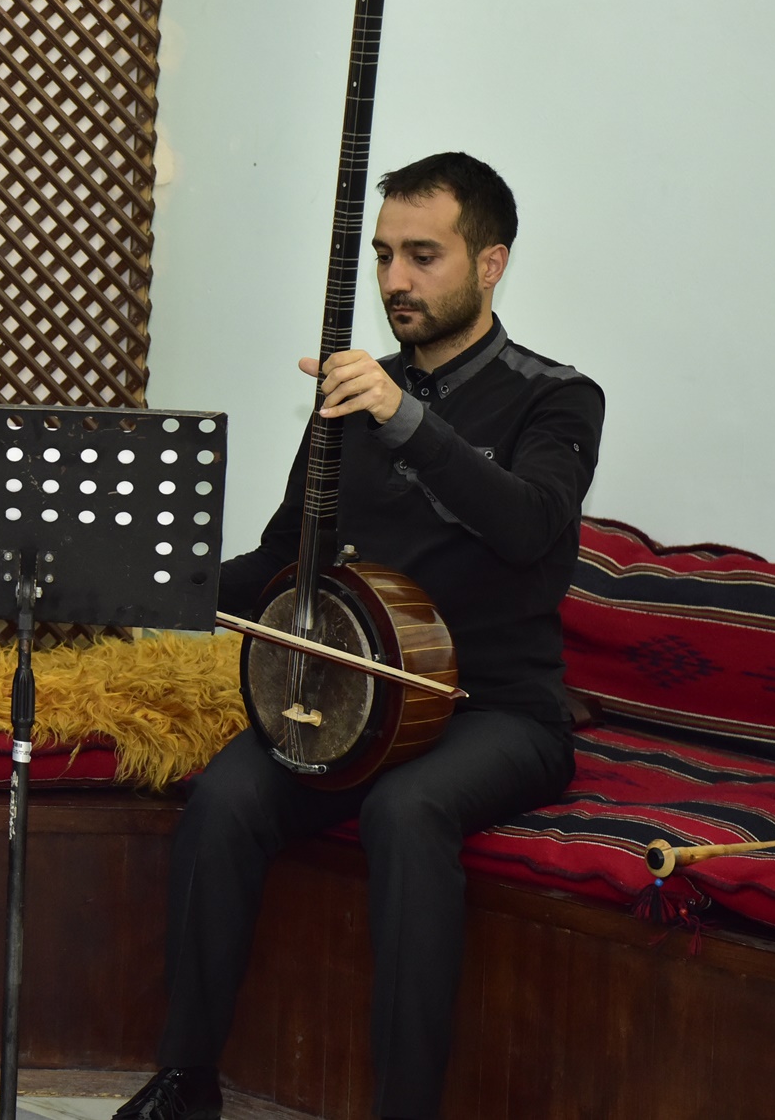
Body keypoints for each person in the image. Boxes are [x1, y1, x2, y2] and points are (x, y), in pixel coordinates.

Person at [116, 153, 605, 1120]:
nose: (394, 279)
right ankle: (186, 1079)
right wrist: (148, 585)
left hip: (496, 711)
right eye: (383, 255)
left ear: (492, 263)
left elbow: (529, 524)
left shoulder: (557, 396)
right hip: (353, 707)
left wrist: (404, 417)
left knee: (406, 812)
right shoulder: (355, 392)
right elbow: (284, 553)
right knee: (224, 797)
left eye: (423, 255)